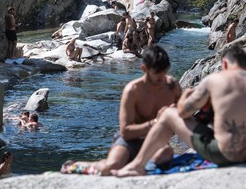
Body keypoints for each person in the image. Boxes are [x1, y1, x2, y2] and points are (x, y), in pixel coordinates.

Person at [112, 45, 246, 177]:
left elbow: (182, 114)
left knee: (168, 114)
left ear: (225, 64)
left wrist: (186, 95)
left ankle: (137, 165)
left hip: (225, 155)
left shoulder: (214, 80)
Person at [69, 45, 181, 176]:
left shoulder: (172, 86)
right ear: (144, 69)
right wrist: (156, 122)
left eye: (164, 71)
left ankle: (135, 165)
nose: (162, 77)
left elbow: (182, 116)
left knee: (165, 157)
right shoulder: (132, 90)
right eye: (157, 73)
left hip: (156, 140)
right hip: (130, 140)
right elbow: (126, 132)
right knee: (110, 168)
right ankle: (81, 165)